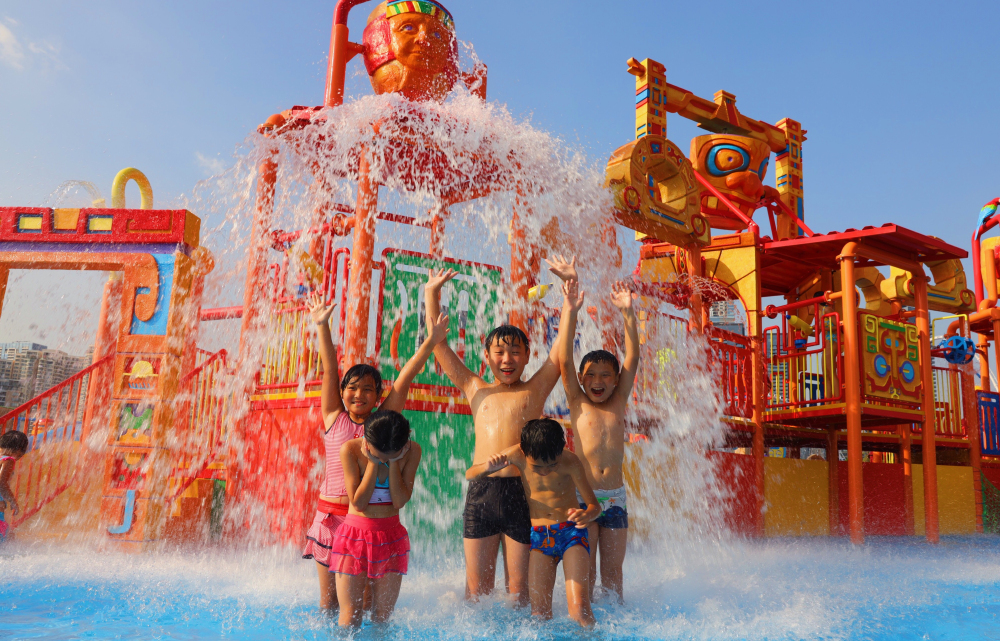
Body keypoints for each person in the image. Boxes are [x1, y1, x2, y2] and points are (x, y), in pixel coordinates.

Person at [425, 256, 578, 604]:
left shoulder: (534, 389)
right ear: (486, 356)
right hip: (481, 492)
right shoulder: (474, 387)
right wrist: (431, 294)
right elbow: (438, 344)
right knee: (475, 592)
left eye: (514, 352)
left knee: (519, 592)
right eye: (499, 352)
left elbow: (559, 354)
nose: (507, 359)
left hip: (524, 493)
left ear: (527, 356)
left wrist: (569, 302)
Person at [302, 291, 447, 613]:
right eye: (352, 388)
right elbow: (329, 369)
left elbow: (405, 377)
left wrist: (431, 342)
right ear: (342, 392)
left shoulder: (383, 421)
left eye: (368, 389)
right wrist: (322, 326)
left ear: (377, 394)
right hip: (331, 518)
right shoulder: (334, 418)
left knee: (366, 604)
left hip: (367, 521)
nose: (359, 394)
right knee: (330, 603)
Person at [466, 418, 601, 627]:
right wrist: (486, 467)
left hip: (571, 534)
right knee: (539, 614)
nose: (545, 471)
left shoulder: (571, 462)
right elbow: (469, 474)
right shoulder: (517, 455)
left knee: (580, 608)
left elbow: (594, 506)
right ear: (524, 451)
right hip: (540, 538)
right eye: (537, 467)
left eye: (552, 465)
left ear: (561, 449)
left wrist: (586, 515)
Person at [558, 278, 639, 604]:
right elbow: (564, 359)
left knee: (614, 573)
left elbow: (633, 356)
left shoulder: (619, 400)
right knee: (587, 570)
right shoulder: (578, 402)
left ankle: (617, 622)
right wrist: (570, 310)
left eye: (606, 375)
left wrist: (628, 313)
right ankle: (587, 620)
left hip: (616, 499)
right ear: (580, 379)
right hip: (583, 497)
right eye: (590, 375)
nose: (598, 381)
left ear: (616, 380)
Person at [332, 410, 422, 627]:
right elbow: (359, 503)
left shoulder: (412, 451)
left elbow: (399, 501)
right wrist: (373, 462)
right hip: (354, 537)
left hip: (390, 537)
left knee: (383, 617)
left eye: (391, 454)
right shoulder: (350, 450)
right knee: (350, 615)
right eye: (379, 453)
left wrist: (392, 463)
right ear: (366, 437)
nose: (385, 458)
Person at [0, 430, 29, 541]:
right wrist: (13, 501)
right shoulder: (8, 460)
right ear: (19, 450)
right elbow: (2, 483)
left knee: (11, 536)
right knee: (9, 539)